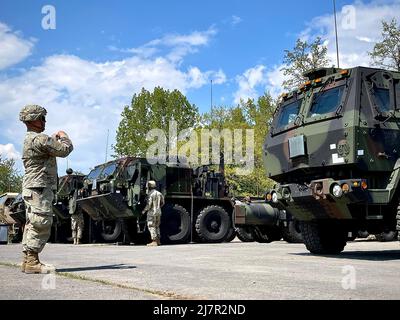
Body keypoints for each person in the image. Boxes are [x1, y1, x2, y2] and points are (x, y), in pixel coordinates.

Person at [19, 105, 73, 274]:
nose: (44, 121)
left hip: (33, 187)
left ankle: (28, 260)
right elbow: (64, 150)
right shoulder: (39, 139)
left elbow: (47, 147)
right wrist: (64, 136)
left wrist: (52, 138)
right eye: (42, 118)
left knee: (32, 222)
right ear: (34, 120)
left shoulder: (33, 139)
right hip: (39, 187)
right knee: (41, 222)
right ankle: (32, 262)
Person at [142, 181, 164, 247]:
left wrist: (144, 210)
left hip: (152, 212)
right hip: (159, 212)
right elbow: (163, 202)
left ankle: (154, 241)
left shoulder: (150, 194)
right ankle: (158, 241)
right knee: (157, 226)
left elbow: (149, 205)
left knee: (151, 226)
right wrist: (158, 208)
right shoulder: (159, 193)